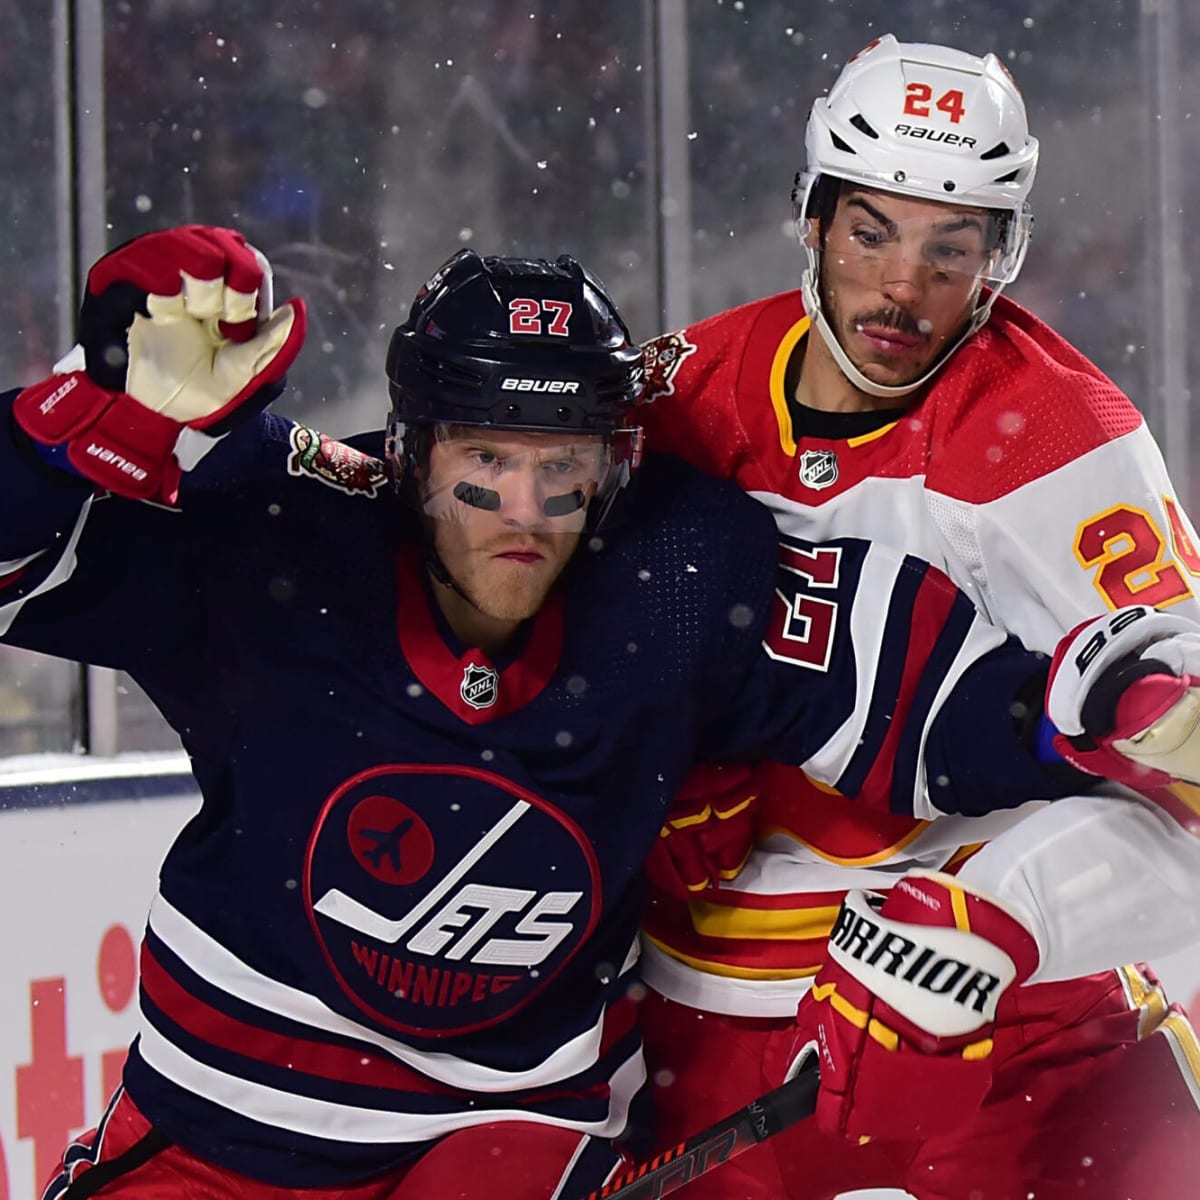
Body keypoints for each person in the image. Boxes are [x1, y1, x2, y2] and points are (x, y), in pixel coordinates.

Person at [8, 227, 1186, 1198]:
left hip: (518, 1143)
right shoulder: (278, 534)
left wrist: (1111, 702)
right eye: (484, 462)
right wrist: (81, 413)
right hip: (226, 1140)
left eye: (561, 469)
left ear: (615, 465)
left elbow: (935, 696)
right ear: (412, 456)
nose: (523, 510)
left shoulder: (680, 574)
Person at [636, 33, 1200, 1200]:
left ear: (1003, 253)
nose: (904, 289)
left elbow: (1193, 783)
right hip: (706, 1041)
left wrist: (995, 914)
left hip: (1013, 1046)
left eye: (953, 249)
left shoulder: (1058, 441)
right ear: (811, 217)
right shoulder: (682, 388)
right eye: (872, 233)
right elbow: (479, 549)